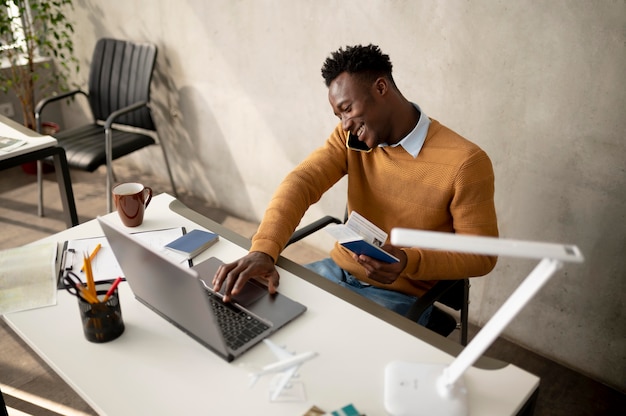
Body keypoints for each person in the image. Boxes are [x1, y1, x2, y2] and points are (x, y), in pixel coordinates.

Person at [213, 44, 498, 325]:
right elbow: (302, 182)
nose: (345, 124)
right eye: (339, 116)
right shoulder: (350, 139)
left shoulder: (465, 162)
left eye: (347, 109)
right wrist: (263, 250)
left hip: (400, 295)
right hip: (335, 270)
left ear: (381, 88)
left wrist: (409, 261)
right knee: (249, 313)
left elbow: (481, 255)